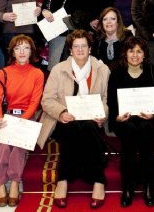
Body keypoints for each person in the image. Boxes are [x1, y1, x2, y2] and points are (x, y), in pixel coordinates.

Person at [37, 30, 110, 209]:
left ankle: (97, 181)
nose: (80, 50)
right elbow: (47, 100)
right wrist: (61, 112)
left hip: (92, 119)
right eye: (76, 46)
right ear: (70, 50)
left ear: (90, 48)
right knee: (73, 127)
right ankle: (64, 180)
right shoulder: (58, 69)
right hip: (64, 119)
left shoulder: (102, 69)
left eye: (84, 46)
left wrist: (102, 114)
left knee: (88, 127)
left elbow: (106, 99)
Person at [107, 36, 154, 207]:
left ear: (144, 54)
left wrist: (153, 114)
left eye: (139, 51)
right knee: (129, 130)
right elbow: (111, 101)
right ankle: (128, 185)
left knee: (146, 128)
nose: (135, 55)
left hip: (149, 119)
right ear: (125, 53)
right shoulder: (116, 73)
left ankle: (148, 184)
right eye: (131, 51)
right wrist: (117, 116)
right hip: (123, 120)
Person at [0, 35, 44, 207]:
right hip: (7, 116)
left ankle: (15, 181)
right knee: (4, 144)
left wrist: (23, 119)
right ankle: (0, 183)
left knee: (18, 145)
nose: (22, 52)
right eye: (17, 48)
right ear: (12, 52)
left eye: (26, 48)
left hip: (27, 116)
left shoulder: (37, 73)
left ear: (31, 51)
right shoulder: (4, 72)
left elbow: (35, 102)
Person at [40, 0, 78, 70]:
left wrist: (72, 17)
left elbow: (84, 14)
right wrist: (44, 11)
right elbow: (43, 11)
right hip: (53, 36)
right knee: (54, 70)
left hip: (71, 36)